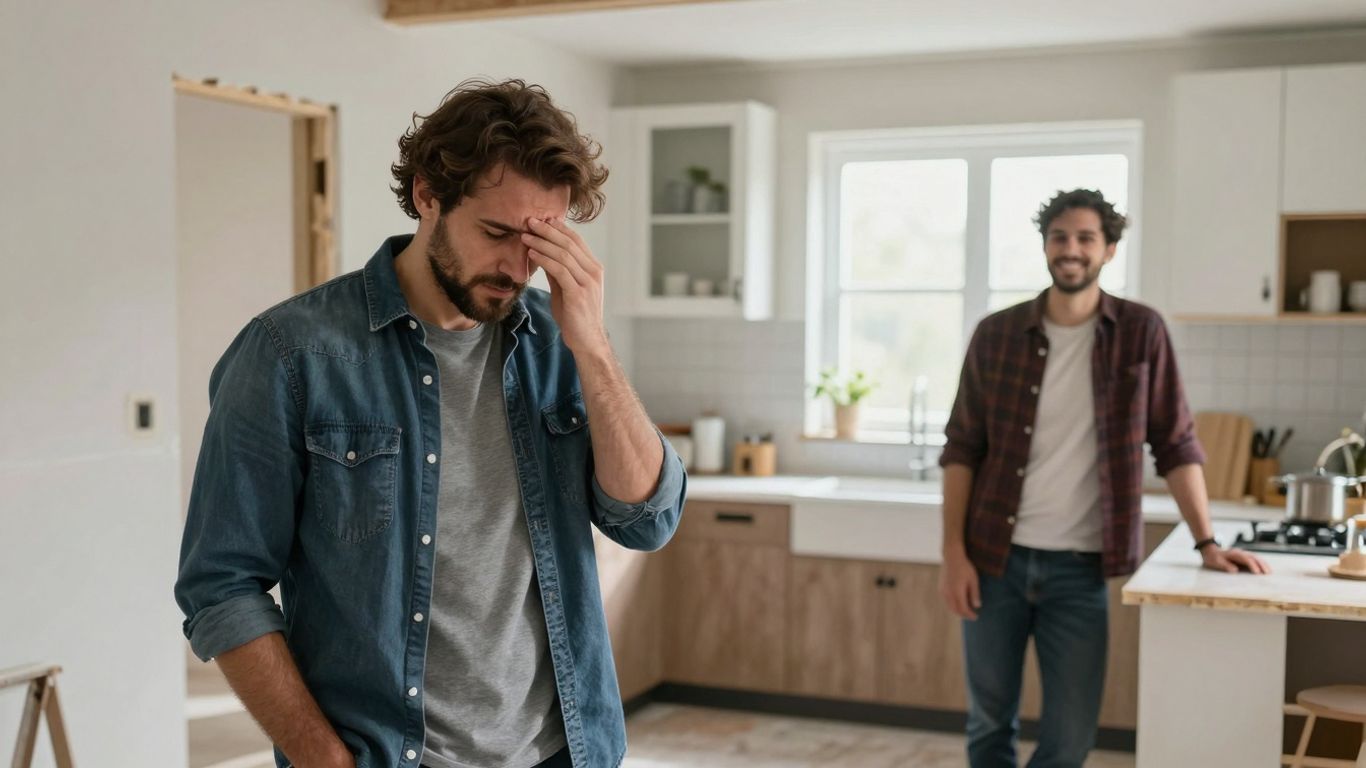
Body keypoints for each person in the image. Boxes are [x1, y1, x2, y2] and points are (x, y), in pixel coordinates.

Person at [175, 78, 687, 768]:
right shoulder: (291, 356)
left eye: (540, 241)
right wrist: (322, 758)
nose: (518, 267)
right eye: (497, 233)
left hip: (564, 753)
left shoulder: (556, 342)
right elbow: (221, 585)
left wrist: (591, 345)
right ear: (426, 196)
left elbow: (646, 519)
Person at [936, 188, 1268, 767]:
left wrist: (1208, 542)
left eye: (1086, 238)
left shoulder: (1141, 331)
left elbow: (1176, 443)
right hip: (995, 561)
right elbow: (962, 447)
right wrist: (953, 554)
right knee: (989, 725)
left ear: (1109, 249)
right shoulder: (996, 334)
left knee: (1070, 739)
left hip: (1080, 569)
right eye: (1060, 237)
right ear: (1044, 246)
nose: (1071, 249)